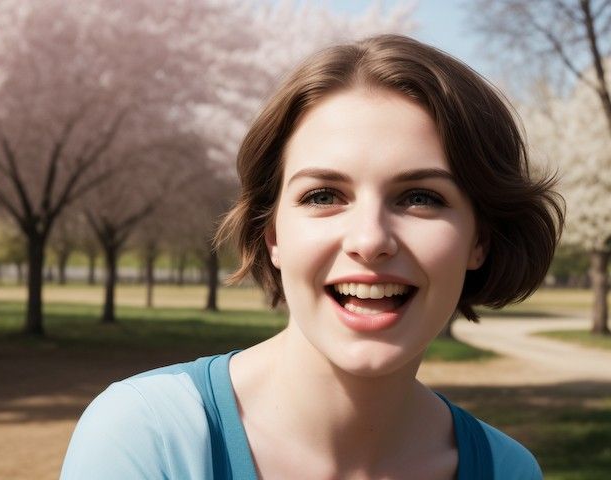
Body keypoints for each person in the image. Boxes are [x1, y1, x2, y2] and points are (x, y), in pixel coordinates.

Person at [60, 34, 563, 479]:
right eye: (323, 195)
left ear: (481, 239)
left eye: (420, 197)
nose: (369, 240)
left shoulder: (508, 470)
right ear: (271, 232)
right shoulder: (144, 438)